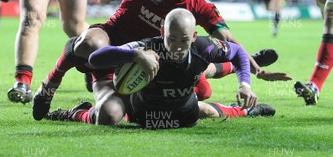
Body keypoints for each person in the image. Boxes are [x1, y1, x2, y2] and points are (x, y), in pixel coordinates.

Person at [31, 0, 290, 123]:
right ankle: (50, 89)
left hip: (158, 63)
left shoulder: (199, 1)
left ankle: (234, 77)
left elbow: (228, 39)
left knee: (200, 88)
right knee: (90, 43)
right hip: (117, 52)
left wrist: (255, 69)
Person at [45, 8, 276, 128]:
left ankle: (246, 110)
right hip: (141, 113)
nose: (176, 46)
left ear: (194, 36)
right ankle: (75, 113)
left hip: (184, 111)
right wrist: (134, 54)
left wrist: (245, 83)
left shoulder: (203, 47)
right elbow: (96, 58)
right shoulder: (148, 47)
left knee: (206, 107)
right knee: (107, 116)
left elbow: (236, 52)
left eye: (183, 40)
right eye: (171, 38)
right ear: (162, 32)